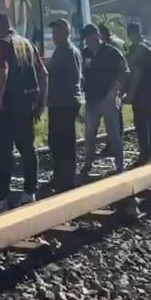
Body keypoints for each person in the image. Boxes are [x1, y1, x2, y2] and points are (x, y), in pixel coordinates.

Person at [0, 12, 48, 213]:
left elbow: (3, 72)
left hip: (8, 107)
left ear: (3, 24)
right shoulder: (27, 44)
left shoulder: (3, 44)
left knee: (3, 153)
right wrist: (41, 102)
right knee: (28, 149)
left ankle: (1, 197)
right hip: (27, 105)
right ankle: (30, 192)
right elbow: (44, 74)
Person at [81, 24, 129, 174]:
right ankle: (87, 164)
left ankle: (120, 165)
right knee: (89, 134)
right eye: (87, 38)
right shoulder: (86, 53)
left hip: (108, 98)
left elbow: (125, 71)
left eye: (91, 37)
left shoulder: (112, 52)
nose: (89, 41)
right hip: (92, 99)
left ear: (97, 36)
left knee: (113, 133)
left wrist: (116, 90)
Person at [46, 18, 83, 193]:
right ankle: (58, 176)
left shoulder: (70, 52)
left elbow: (74, 81)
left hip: (66, 104)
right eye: (54, 32)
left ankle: (67, 180)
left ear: (67, 33)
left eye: (58, 32)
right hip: (55, 103)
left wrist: (75, 104)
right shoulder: (59, 51)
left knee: (66, 144)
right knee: (56, 142)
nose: (55, 36)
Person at [125, 22, 151, 166]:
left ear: (130, 33)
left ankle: (144, 155)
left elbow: (137, 72)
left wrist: (131, 93)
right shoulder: (149, 45)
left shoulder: (136, 48)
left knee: (141, 123)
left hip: (141, 91)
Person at [98, 24, 126, 156]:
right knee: (117, 115)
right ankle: (116, 143)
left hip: (113, 85)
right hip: (120, 84)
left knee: (113, 117)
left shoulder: (111, 46)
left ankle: (113, 146)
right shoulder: (120, 41)